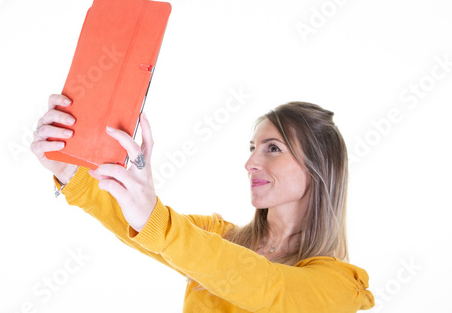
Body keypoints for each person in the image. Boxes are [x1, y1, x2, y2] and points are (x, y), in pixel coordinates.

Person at [31, 94, 375, 312]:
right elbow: (140, 226)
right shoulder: (219, 238)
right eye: (252, 148)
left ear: (318, 168)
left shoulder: (339, 287)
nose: (251, 162)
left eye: (273, 148)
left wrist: (154, 218)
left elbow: (268, 290)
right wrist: (68, 170)